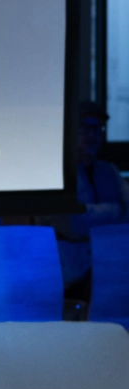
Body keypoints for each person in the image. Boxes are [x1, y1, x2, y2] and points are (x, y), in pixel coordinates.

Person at [56, 101, 126, 302]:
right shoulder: (57, 174)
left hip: (107, 266)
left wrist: (90, 212)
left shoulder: (108, 171)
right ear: (71, 131)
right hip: (68, 274)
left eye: (97, 129)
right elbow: (73, 224)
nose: (92, 135)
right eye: (85, 128)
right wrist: (115, 210)